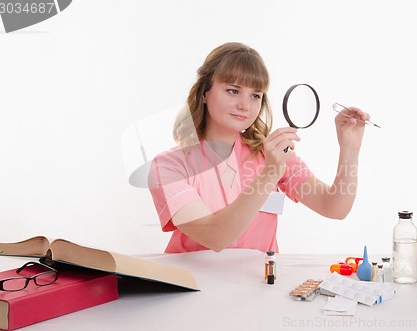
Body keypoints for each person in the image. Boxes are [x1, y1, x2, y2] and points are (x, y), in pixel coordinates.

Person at [148, 42, 370, 253]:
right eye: (233, 91)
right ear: (205, 93)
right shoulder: (168, 167)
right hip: (193, 288)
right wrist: (269, 175)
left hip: (259, 288)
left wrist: (349, 149)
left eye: (255, 95)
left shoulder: (272, 155)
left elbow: (334, 207)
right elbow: (215, 237)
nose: (245, 105)